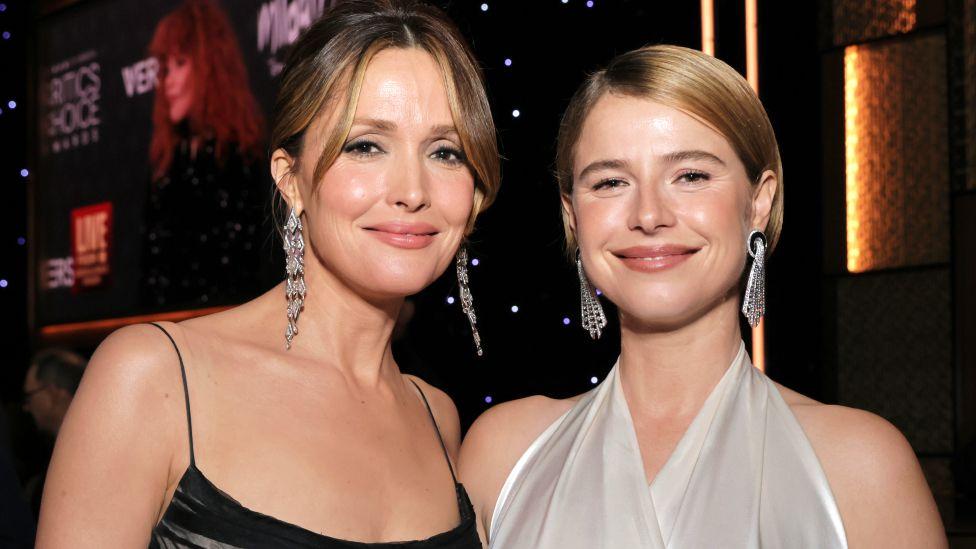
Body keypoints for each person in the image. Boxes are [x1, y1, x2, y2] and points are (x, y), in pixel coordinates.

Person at [37, 1, 499, 546]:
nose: (413, 191)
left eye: (445, 152)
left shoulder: (437, 418)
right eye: (366, 146)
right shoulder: (154, 379)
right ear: (290, 179)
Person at [459, 44, 946, 548]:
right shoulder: (504, 454)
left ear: (759, 202)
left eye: (691, 176)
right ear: (572, 214)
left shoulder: (860, 466)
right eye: (610, 182)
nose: (649, 215)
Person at [142, 0, 268, 309]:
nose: (168, 81)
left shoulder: (243, 158)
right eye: (165, 68)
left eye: (180, 63)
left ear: (209, 66)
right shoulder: (166, 163)